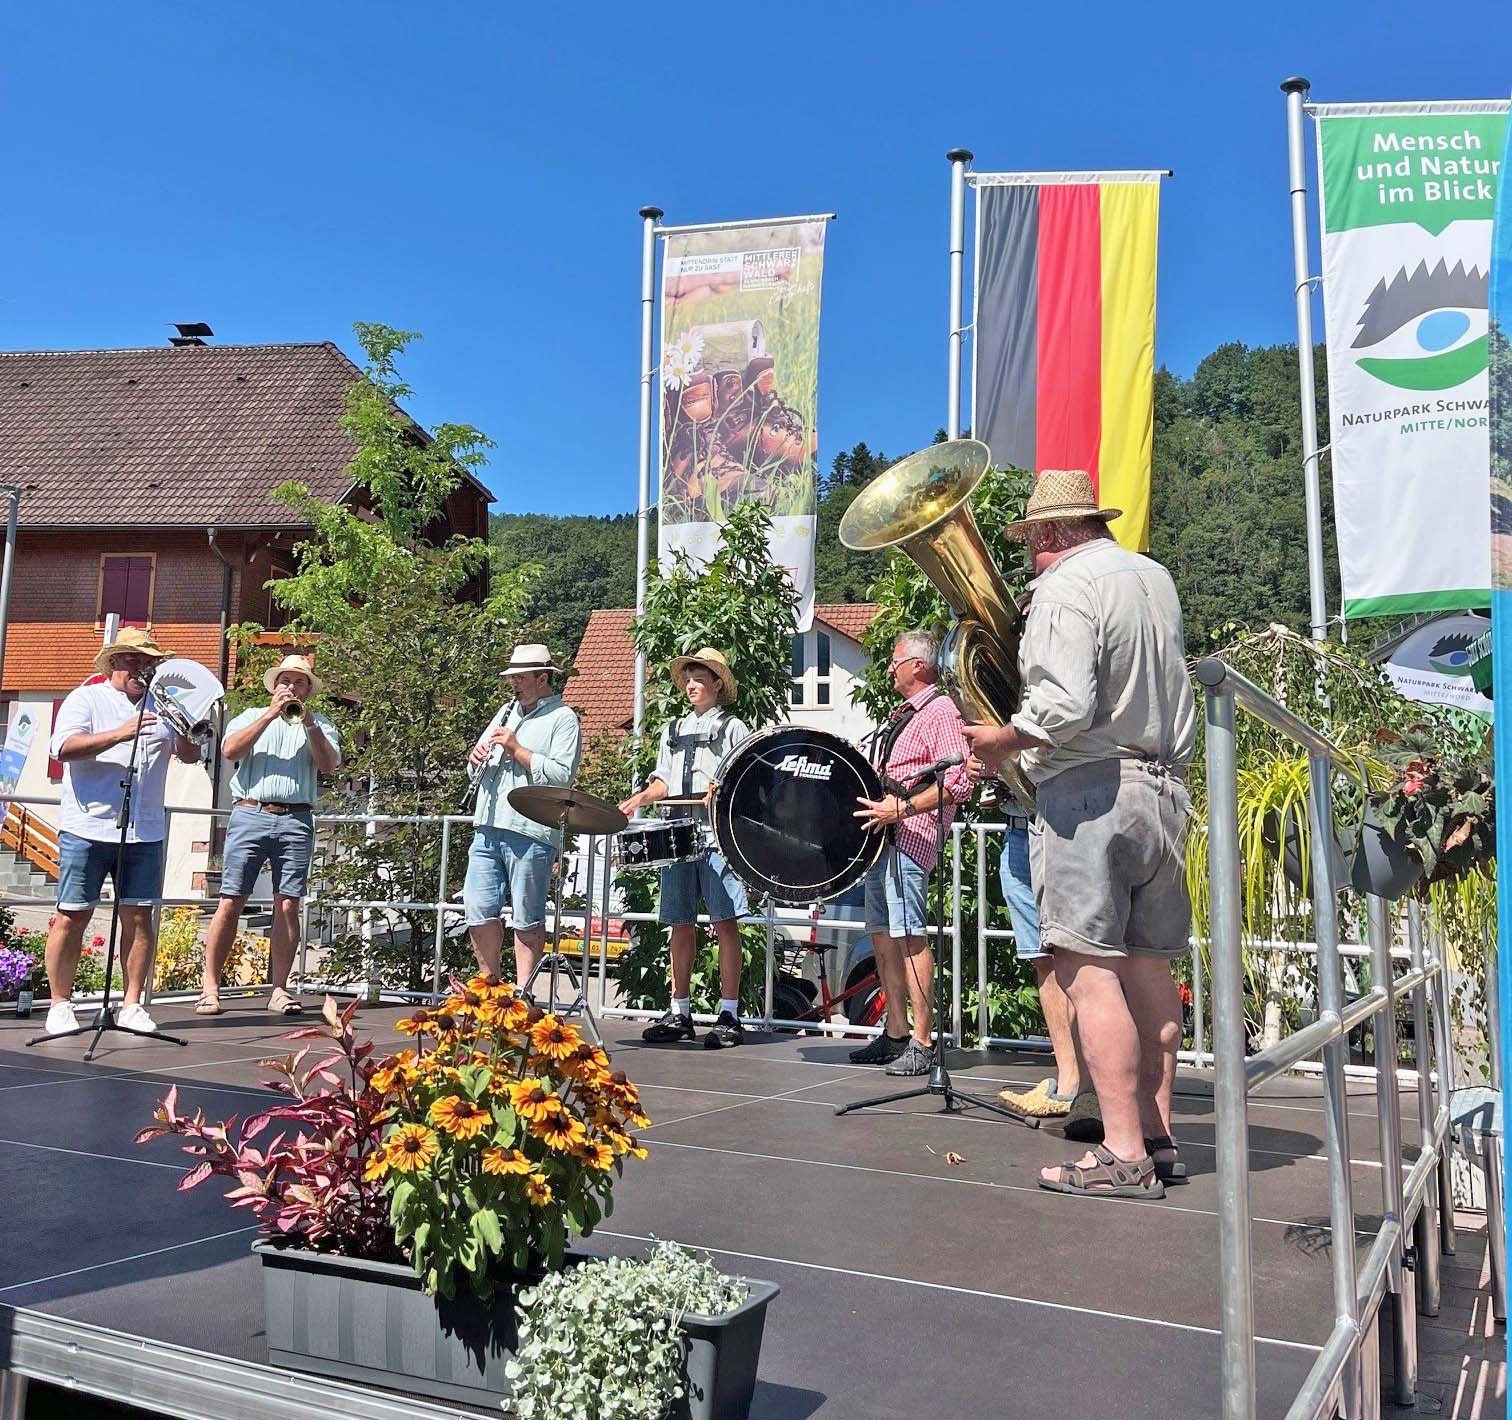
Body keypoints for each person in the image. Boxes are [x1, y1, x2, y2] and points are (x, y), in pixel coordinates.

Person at [963, 469, 1197, 1200]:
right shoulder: (1153, 576)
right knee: (1150, 969)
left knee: (1087, 970)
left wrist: (1001, 740)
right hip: (1164, 788)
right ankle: (1159, 1140)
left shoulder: (1066, 585)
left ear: (1058, 533)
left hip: (1091, 789)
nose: (1031, 554)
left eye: (1033, 541)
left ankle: (1122, 1153)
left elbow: (1061, 707)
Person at [42, 628, 204, 1037]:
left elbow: (190, 755)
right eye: (133, 660)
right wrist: (122, 732)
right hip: (87, 826)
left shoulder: (163, 705)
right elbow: (61, 748)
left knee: (139, 916)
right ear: (113, 663)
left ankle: (132, 1003)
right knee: (71, 915)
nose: (142, 668)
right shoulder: (87, 697)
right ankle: (60, 1004)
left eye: (149, 661)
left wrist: (185, 729)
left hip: (144, 828)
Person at [849, 630, 971, 1077]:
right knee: (882, 933)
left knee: (909, 934)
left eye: (895, 661)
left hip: (909, 835)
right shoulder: (906, 713)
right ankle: (896, 1032)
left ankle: (922, 1040)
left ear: (918, 665)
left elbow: (957, 782)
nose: (889, 668)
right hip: (882, 835)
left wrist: (901, 807)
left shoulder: (939, 711)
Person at [618, 648, 751, 1049]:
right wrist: (642, 797)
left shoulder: (732, 727)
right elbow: (665, 782)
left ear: (717, 684)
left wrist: (721, 791)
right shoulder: (672, 729)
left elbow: (744, 778)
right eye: (688, 678)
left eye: (699, 678)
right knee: (679, 921)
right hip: (677, 834)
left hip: (716, 838)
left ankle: (730, 1012)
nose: (691, 685)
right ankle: (680, 1011)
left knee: (726, 921)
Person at [197, 654, 341, 1017]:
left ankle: (279, 989)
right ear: (275, 685)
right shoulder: (248, 717)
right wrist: (268, 715)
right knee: (231, 900)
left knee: (288, 904)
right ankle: (210, 988)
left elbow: (328, 765)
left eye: (299, 682)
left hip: (295, 818)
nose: (290, 687)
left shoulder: (320, 723)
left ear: (308, 690)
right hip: (251, 813)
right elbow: (229, 751)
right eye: (285, 681)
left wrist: (309, 726)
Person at [464, 644, 582, 987]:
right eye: (512, 677)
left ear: (542, 678)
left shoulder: (563, 718)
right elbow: (478, 772)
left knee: (527, 919)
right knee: (477, 910)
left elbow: (561, 777)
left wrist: (517, 749)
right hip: (487, 824)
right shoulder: (506, 711)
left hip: (530, 830)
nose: (513, 684)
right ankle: (490, 991)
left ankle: (523, 994)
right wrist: (475, 761)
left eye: (520, 677)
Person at [983, 778, 1089, 1128]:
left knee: (1075, 954)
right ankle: (1069, 1078)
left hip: (1063, 826)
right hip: (1017, 827)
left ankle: (1087, 1085)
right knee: (1041, 957)